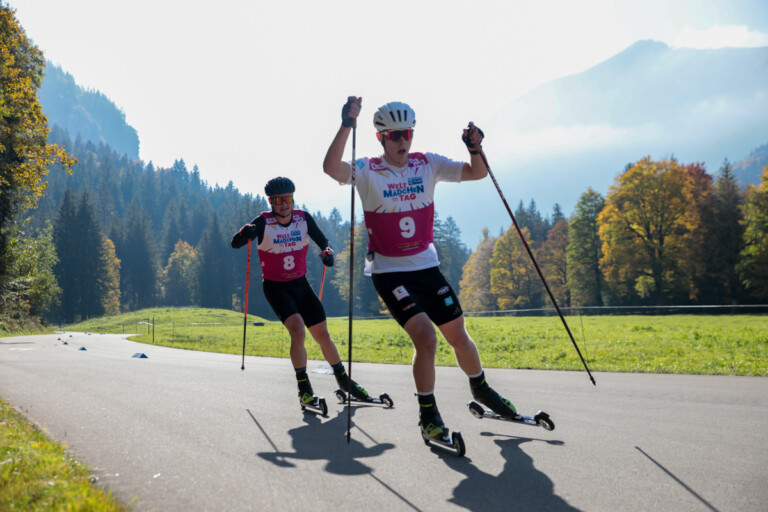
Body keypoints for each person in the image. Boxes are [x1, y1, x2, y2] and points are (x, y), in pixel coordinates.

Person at [323, 97, 518, 440]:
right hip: (389, 273)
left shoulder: (427, 163)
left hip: (427, 267)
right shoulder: (368, 170)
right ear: (381, 138)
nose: (403, 141)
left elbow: (477, 172)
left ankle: (481, 388)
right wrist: (345, 125)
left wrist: (475, 148)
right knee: (426, 338)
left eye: (408, 133)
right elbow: (331, 168)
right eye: (395, 135)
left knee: (458, 335)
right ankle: (428, 415)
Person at [231, 176, 370, 406]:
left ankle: (343, 380)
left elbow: (324, 241)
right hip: (276, 287)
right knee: (297, 330)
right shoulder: (263, 222)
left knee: (322, 334)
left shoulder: (303, 218)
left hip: (300, 284)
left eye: (287, 199)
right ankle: (304, 388)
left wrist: (327, 253)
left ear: (293, 199)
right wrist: (243, 233)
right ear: (271, 202)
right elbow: (236, 244)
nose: (284, 205)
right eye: (278, 200)